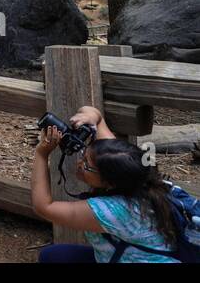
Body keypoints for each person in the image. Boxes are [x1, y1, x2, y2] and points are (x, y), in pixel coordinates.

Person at [32, 105, 182, 262]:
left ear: (110, 182)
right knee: (53, 256)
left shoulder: (114, 211)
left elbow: (44, 207)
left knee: (54, 257)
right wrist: (88, 119)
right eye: (84, 154)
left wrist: (42, 154)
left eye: (86, 165)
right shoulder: (134, 174)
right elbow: (97, 117)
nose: (79, 163)